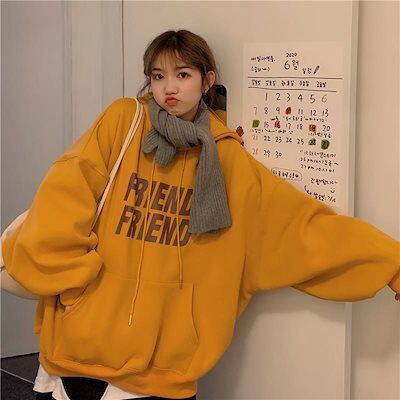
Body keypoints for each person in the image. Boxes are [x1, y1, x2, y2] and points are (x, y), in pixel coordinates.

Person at [2, 29, 399, 400]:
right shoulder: (124, 122)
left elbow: (301, 230)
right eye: (158, 76)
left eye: (183, 74)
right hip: (75, 349)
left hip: (164, 371)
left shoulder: (226, 160)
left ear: (207, 81)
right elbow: (63, 195)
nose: (169, 88)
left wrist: (391, 264)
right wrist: (75, 283)